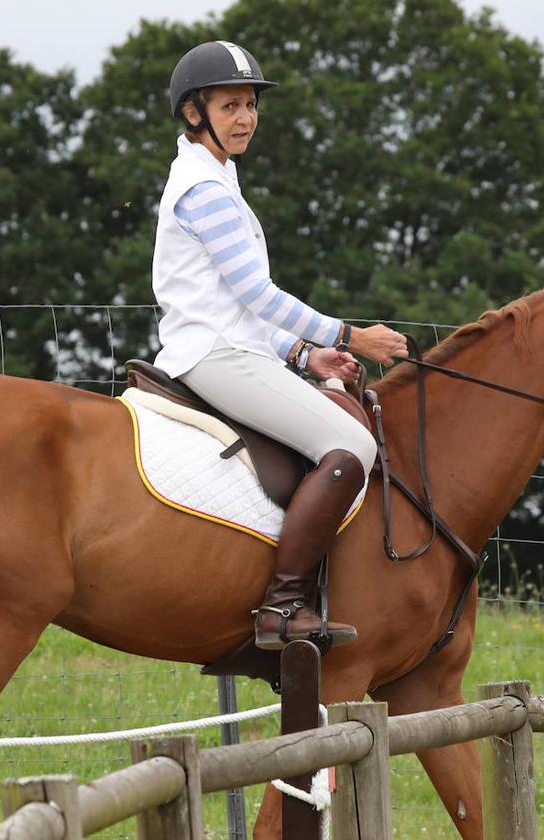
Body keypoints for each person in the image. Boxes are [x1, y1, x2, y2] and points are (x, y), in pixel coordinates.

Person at [152, 41, 407, 650]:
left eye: (251, 105)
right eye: (230, 105)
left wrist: (304, 355)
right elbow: (257, 294)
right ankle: (283, 605)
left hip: (230, 345)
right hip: (213, 355)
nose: (245, 118)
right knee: (351, 442)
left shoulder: (218, 177)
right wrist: (348, 335)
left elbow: (237, 302)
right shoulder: (205, 189)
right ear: (195, 113)